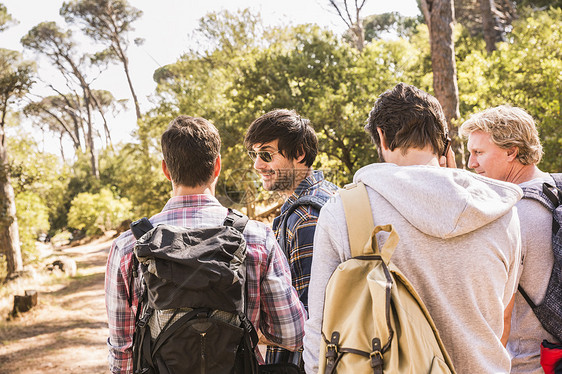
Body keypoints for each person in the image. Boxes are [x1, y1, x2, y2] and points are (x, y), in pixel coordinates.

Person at [303, 83, 523, 373]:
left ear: (381, 136)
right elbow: (502, 303)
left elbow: (320, 323)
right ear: (441, 141)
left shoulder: (345, 209)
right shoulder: (500, 211)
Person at [105, 115, 307, 373]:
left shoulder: (128, 245)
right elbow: (292, 334)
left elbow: (122, 350)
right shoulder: (257, 237)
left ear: (166, 169)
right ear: (217, 167)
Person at [460, 105, 556, 374]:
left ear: (511, 151)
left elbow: (495, 311)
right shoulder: (554, 190)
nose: (471, 163)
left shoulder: (511, 215)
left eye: (478, 152)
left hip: (526, 365)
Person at [244, 109, 338, 367]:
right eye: (255, 155)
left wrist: (248, 330)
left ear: (299, 153)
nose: (257, 165)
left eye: (266, 155)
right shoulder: (333, 195)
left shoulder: (305, 220)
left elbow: (309, 323)